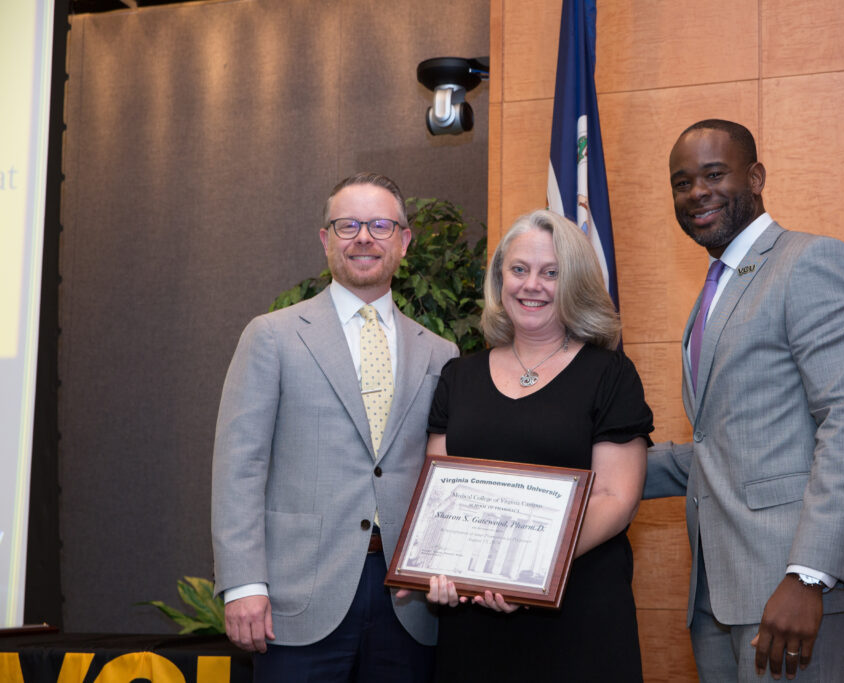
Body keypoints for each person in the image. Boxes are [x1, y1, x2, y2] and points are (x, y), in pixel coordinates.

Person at [644, 119, 844, 682]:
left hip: (793, 587)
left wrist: (808, 576)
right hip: (720, 590)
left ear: (756, 176)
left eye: (715, 174)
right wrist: (600, 470)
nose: (697, 194)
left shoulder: (811, 262)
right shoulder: (718, 287)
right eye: (682, 182)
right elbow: (734, 442)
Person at [211, 172, 458, 682]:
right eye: (347, 225)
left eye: (381, 225)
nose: (364, 237)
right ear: (325, 240)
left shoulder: (441, 352)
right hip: (295, 599)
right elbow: (239, 467)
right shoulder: (272, 336)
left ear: (404, 242)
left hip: (407, 604)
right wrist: (243, 585)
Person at [423, 209, 653, 682]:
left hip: (577, 615)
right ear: (499, 278)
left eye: (552, 273)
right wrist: (438, 570)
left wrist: (527, 572)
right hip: (472, 621)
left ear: (575, 283)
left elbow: (615, 496)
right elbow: (437, 496)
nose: (533, 285)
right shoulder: (458, 376)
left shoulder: (609, 374)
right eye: (519, 270)